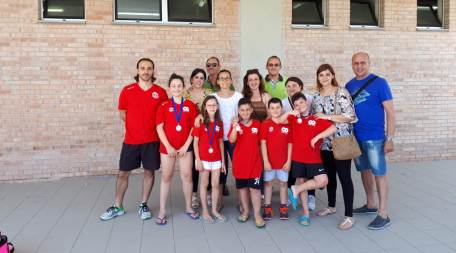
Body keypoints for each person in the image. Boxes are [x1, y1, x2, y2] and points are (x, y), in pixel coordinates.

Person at [100, 58, 167, 221]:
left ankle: (143, 204)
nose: (146, 71)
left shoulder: (161, 92)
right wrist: (135, 126)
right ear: (137, 71)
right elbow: (122, 113)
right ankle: (117, 206)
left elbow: (164, 116)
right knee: (123, 173)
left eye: (149, 68)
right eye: (142, 68)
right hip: (131, 140)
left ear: (153, 71)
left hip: (152, 141)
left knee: (149, 172)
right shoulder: (127, 90)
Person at [346, 52, 395, 230]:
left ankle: (383, 214)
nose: (359, 66)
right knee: (364, 171)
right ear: (352, 64)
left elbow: (390, 113)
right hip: (356, 138)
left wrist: (389, 138)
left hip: (375, 137)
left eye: (362, 63)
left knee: (379, 174)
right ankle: (370, 204)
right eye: (356, 63)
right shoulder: (349, 85)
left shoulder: (380, 83)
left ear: (369, 63)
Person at [311, 64, 357, 230]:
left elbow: (351, 116)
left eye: (327, 74)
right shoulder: (316, 97)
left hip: (340, 141)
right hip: (324, 143)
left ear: (332, 76)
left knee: (344, 178)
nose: (324, 77)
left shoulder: (341, 92)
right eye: (321, 75)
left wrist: (327, 116)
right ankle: (331, 206)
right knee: (329, 176)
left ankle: (349, 215)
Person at [282, 93, 337, 226]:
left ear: (306, 102)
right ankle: (305, 214)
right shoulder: (293, 118)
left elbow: (333, 128)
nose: (299, 106)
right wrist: (292, 112)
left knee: (323, 180)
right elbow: (280, 121)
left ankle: (296, 189)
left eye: (301, 103)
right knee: (302, 181)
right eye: (296, 104)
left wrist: (318, 137)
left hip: (314, 158)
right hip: (298, 157)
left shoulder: (316, 118)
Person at [155, 74, 199, 225]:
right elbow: (159, 127)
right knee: (166, 177)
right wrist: (168, 146)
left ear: (183, 87)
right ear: (169, 88)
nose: (176, 88)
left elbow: (194, 126)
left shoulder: (190, 105)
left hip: (185, 148)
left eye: (179, 85)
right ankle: (162, 210)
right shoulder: (163, 105)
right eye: (173, 86)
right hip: (168, 148)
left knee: (187, 176)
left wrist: (187, 145)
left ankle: (188, 207)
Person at [228, 98, 265, 228]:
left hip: (255, 164)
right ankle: (246, 211)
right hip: (240, 164)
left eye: (247, 109)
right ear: (238, 111)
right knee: (242, 189)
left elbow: (262, 144)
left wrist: (263, 161)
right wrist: (234, 127)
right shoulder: (235, 125)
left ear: (251, 110)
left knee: (255, 190)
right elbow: (232, 140)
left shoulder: (257, 124)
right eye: (242, 110)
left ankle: (257, 215)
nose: (245, 112)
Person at [282, 77, 316, 211]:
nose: (291, 88)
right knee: (292, 168)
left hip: (308, 139)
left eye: (294, 85)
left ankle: (311, 196)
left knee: (310, 168)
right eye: (288, 86)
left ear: (301, 86)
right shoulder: (284, 103)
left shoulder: (310, 99)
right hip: (292, 138)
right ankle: (292, 193)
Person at [193, 95, 226, 223]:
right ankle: (205, 211)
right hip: (204, 159)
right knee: (204, 184)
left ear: (217, 107)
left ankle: (214, 210)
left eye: (214, 105)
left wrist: (223, 161)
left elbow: (220, 142)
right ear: (205, 108)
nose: (212, 107)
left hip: (217, 158)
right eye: (209, 105)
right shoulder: (200, 122)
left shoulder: (219, 123)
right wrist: (198, 159)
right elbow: (195, 142)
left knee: (215, 184)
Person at [184, 68, 213, 209]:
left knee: (207, 163)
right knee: (194, 165)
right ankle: (194, 193)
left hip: (206, 134)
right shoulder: (184, 94)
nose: (199, 80)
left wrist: (202, 115)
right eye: (196, 77)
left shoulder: (209, 93)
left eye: (202, 78)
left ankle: (207, 191)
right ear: (191, 79)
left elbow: (213, 110)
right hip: (189, 133)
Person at [260, 98, 292, 220]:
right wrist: (266, 161)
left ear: (282, 108)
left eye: (278, 107)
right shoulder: (265, 124)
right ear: (268, 110)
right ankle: (267, 207)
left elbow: (290, 144)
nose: (275, 110)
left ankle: (283, 207)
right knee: (268, 183)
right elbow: (263, 144)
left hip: (283, 162)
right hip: (270, 162)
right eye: (272, 108)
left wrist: (288, 161)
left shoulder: (287, 124)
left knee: (283, 183)